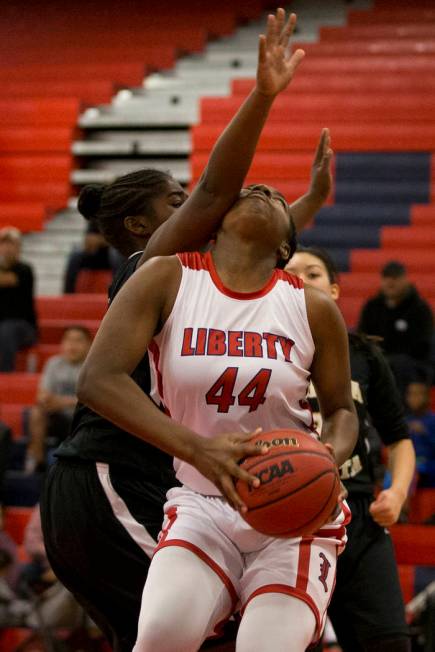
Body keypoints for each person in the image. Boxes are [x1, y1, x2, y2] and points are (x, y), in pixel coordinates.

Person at [40, 10, 338, 652]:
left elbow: (254, 245)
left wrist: (304, 206)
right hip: (111, 475)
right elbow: (216, 197)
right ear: (144, 231)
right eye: (176, 205)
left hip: (135, 479)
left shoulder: (217, 281)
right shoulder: (159, 270)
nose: (201, 207)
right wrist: (262, 96)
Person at [286, 246, 415, 652]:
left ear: (336, 291)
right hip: (285, 519)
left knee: (389, 643)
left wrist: (395, 493)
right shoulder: (259, 353)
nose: (301, 281)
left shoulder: (363, 355)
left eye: (313, 274)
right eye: (290, 273)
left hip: (356, 516)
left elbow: (399, 439)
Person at [358, 260, 434, 394]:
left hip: (410, 367)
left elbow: (425, 346)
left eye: (395, 277)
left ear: (405, 280)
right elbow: (362, 338)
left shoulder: (420, 309)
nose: (390, 282)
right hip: (378, 363)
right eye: (386, 278)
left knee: (399, 366)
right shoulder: (371, 307)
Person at [25, 326, 92, 472]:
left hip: (83, 418)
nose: (72, 345)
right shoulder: (53, 363)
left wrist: (61, 402)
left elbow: (92, 399)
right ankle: (38, 461)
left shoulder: (93, 366)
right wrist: (50, 401)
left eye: (78, 340)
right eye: (68, 340)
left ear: (89, 344)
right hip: (59, 417)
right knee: (36, 412)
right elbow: (42, 395)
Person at [0, 227, 37, 372]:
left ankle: (4, 377)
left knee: (6, 329)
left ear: (19, 247)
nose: (7, 248)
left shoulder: (24, 270)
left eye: (11, 244)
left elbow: (7, 280)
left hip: (25, 328)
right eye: (4, 244)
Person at [63, 218, 123, 293]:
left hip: (116, 255)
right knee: (75, 255)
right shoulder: (95, 216)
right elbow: (88, 238)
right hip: (97, 255)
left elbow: (121, 240)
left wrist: (100, 240)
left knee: (114, 253)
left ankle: (119, 291)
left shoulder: (119, 215)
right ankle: (68, 294)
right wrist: (90, 243)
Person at [405, 381, 435, 488]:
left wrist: (424, 433)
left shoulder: (432, 420)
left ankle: (403, 503)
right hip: (412, 462)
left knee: (409, 472)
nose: (413, 398)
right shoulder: (407, 420)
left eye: (418, 394)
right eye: (410, 394)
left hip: (429, 465)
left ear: (427, 398)